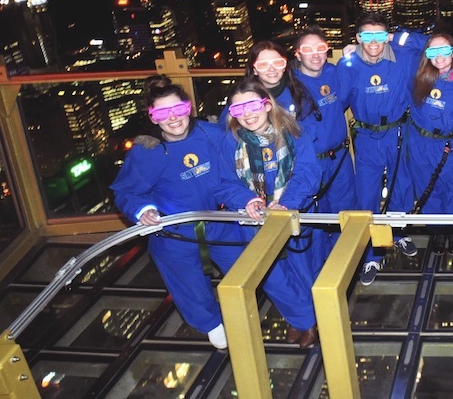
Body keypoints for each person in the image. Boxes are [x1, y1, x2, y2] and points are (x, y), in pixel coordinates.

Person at [110, 75, 242, 350]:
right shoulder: (146, 152)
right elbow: (126, 191)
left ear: (189, 108)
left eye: (178, 110)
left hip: (218, 219)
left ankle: (243, 313)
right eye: (162, 113)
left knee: (246, 268)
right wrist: (143, 210)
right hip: (174, 230)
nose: (173, 118)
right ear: (153, 118)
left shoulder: (213, 134)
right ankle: (211, 323)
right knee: (187, 282)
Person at [214, 79, 324, 349]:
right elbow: (223, 182)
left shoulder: (294, 131)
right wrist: (246, 199)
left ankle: (310, 317)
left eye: (252, 105)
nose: (247, 114)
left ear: (266, 104)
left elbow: (308, 173)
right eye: (238, 109)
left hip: (294, 215)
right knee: (272, 276)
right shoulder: (230, 141)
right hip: (253, 222)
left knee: (303, 271)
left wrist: (286, 203)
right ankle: (303, 320)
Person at [335, 11, 420, 285]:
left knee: (402, 185)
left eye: (380, 35)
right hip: (367, 136)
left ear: (387, 36)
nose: (374, 42)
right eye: (367, 36)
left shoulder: (403, 58)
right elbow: (337, 102)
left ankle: (398, 233)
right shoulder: (347, 65)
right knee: (366, 193)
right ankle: (372, 253)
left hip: (398, 130)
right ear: (358, 37)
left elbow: (433, 46)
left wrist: (398, 36)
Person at [240, 39, 331, 278]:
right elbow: (227, 147)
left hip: (300, 180)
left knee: (311, 243)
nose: (271, 69)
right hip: (263, 193)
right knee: (282, 263)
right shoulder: (242, 103)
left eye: (277, 62)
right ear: (253, 68)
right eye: (263, 63)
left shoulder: (299, 91)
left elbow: (309, 132)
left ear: (286, 64)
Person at [400, 32, 453, 255]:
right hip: (420, 142)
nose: (439, 56)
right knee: (427, 187)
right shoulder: (419, 74)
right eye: (433, 51)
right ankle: (437, 231)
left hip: (448, 144)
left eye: (444, 50)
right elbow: (401, 43)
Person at [292, 26, 357, 248]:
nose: (315, 54)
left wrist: (355, 52)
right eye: (307, 49)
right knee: (314, 218)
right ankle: (319, 268)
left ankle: (344, 263)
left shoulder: (334, 72)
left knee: (346, 212)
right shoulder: (289, 84)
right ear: (297, 54)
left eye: (320, 48)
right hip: (309, 163)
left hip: (339, 157)